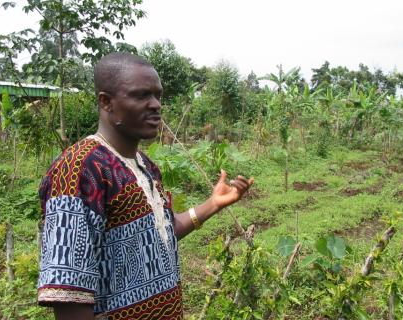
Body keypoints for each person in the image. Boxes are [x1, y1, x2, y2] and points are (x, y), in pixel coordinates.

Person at [37, 52, 254, 320]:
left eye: (157, 95)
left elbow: (162, 232)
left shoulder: (147, 167)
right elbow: (69, 295)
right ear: (107, 102)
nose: (155, 105)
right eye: (141, 96)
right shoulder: (81, 169)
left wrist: (213, 204)